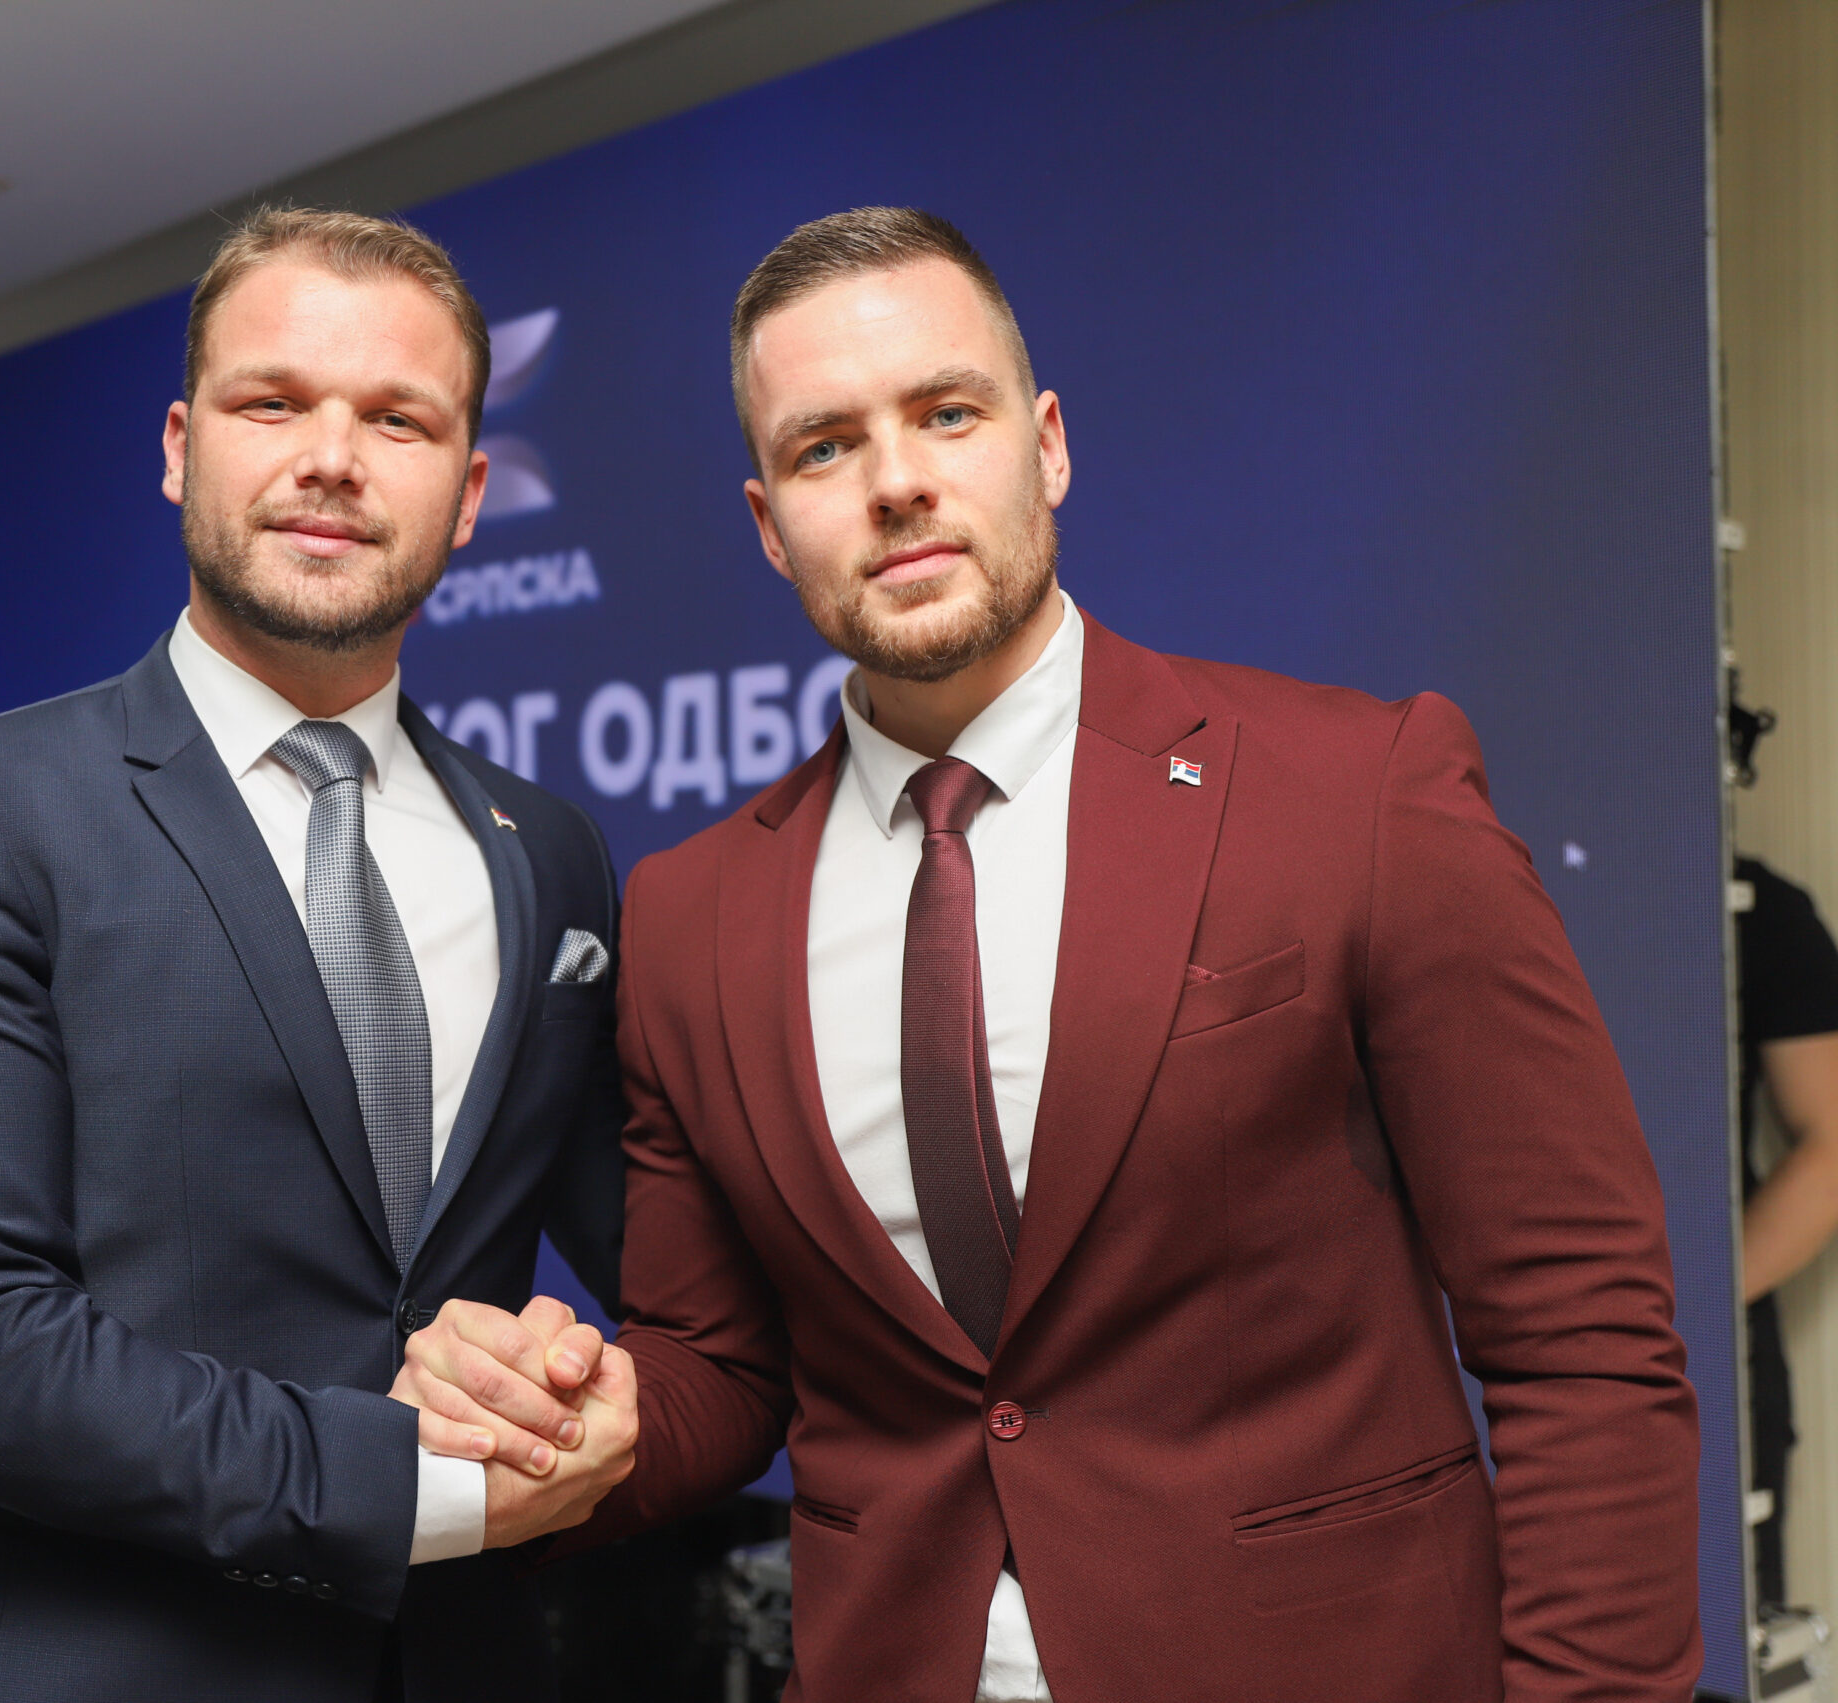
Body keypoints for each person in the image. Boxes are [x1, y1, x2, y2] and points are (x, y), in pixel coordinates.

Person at [398, 208, 1702, 1700]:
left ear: (1049, 444)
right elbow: (725, 1361)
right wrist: (557, 1417)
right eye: (825, 446)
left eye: (947, 413)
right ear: (768, 523)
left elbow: (1583, 1336)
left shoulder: (1359, 791)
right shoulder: (693, 916)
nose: (897, 480)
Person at [0, 206, 630, 1703]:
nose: (332, 458)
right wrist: (411, 1486)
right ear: (181, 448)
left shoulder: (549, 851)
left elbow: (663, 1253)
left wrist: (605, 1393)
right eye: (274, 403)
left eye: (398, 419)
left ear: (469, 493)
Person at [1727, 681, 1838, 1607]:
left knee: (1718, 1629)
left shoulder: (1760, 915)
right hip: (1483, 1341)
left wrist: (1692, 1300)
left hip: (1707, 1340)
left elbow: (1832, 1146)